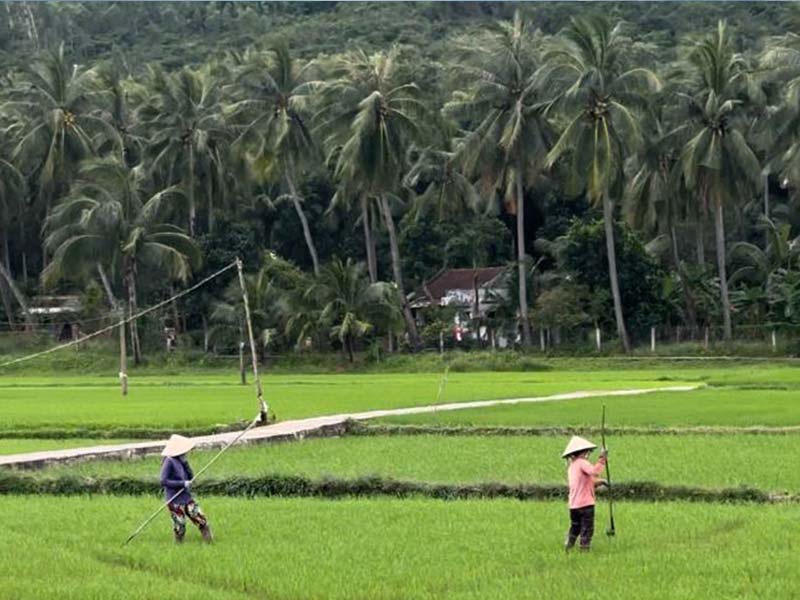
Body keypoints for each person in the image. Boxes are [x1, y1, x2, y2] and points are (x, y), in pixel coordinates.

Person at [160, 434, 213, 543]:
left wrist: (186, 464)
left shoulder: (181, 460)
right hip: (174, 499)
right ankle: (179, 545)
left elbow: (191, 477)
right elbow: (163, 481)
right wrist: (182, 483)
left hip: (186, 496)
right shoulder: (169, 461)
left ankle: (209, 541)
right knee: (180, 525)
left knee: (200, 519)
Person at [561, 435, 608, 552]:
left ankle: (569, 546)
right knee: (587, 528)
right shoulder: (582, 462)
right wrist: (602, 458)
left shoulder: (572, 466)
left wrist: (601, 482)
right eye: (587, 452)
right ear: (583, 452)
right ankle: (584, 550)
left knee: (575, 527)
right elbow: (594, 472)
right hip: (585, 505)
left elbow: (586, 482)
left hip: (573, 505)